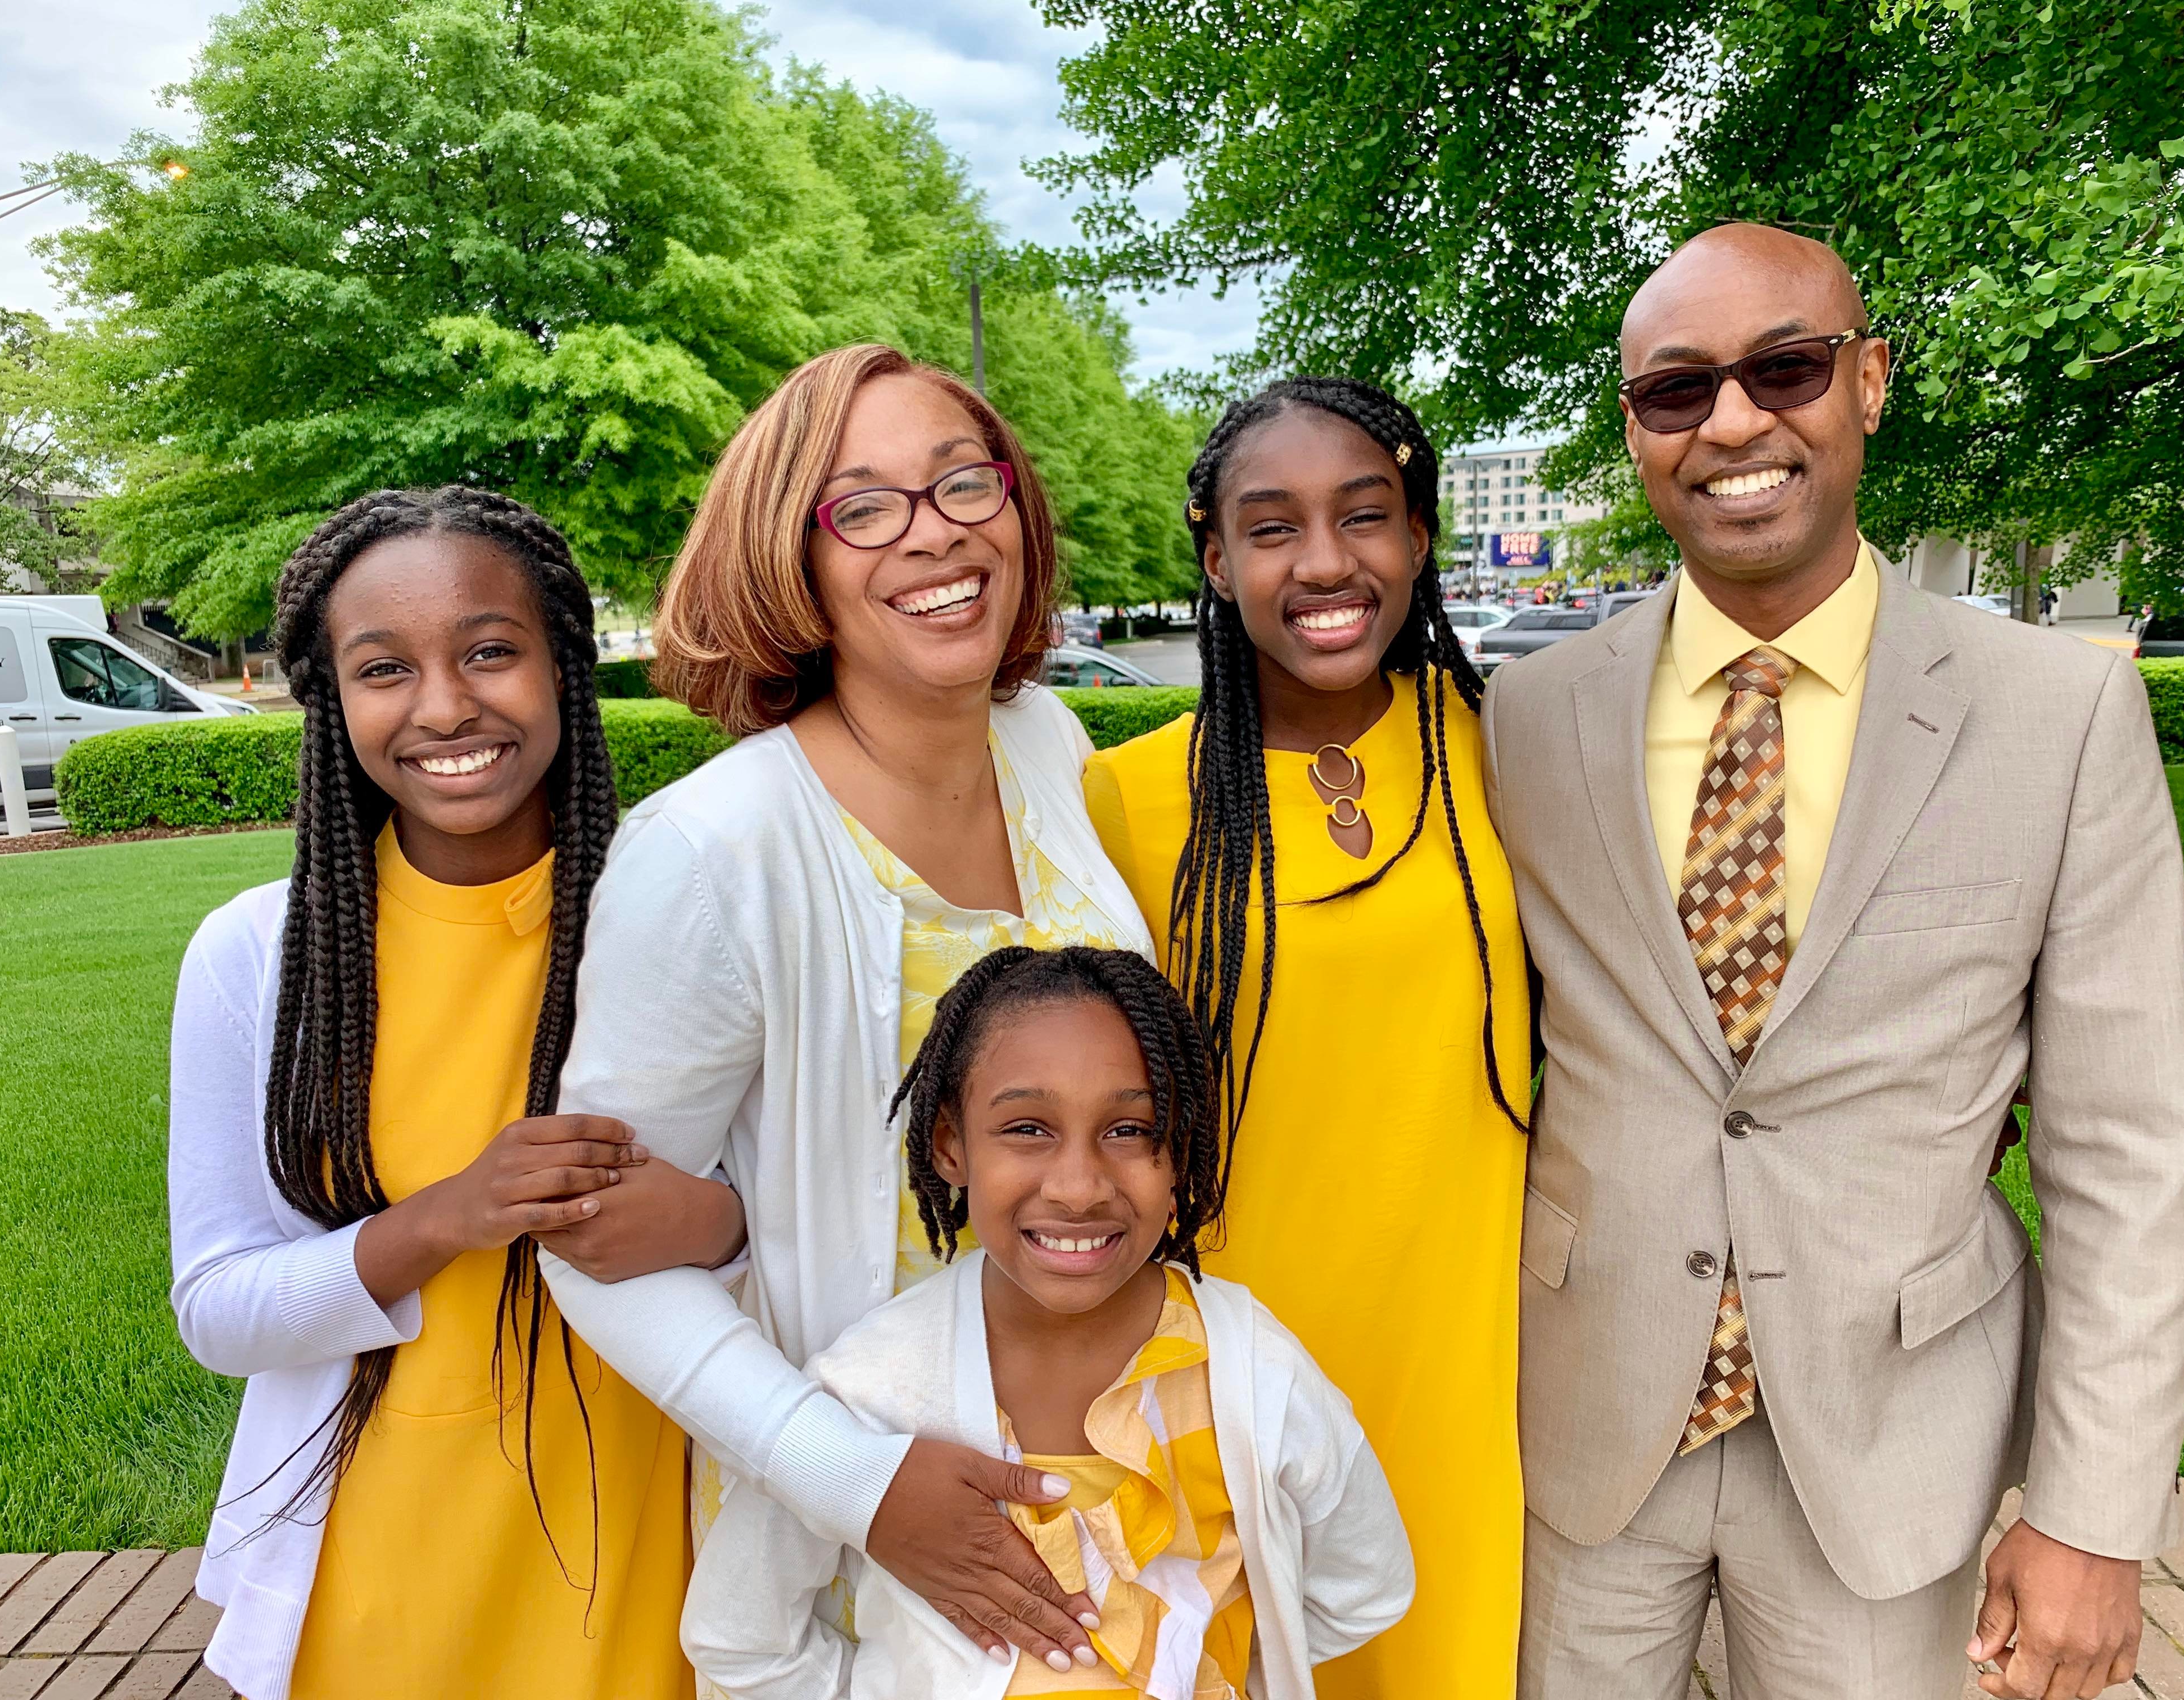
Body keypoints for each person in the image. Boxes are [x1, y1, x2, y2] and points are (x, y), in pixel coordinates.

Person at [1482, 223, 2184, 1700]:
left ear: (1867, 382)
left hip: (1889, 1438)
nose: (1733, 422)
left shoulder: (2057, 718)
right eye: (1676, 391)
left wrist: (2092, 1518)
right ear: (1634, 431)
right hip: (1588, 1410)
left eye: (1785, 367)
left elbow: (2125, 1150)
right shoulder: (1529, 718)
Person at [536, 345, 1154, 1676]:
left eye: (961, 484)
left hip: (1111, 1479)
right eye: (861, 507)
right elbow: (592, 1247)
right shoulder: (716, 848)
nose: (933, 532)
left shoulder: (1047, 745)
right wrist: (859, 1481)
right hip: (861, 1549)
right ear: (791, 562)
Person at [167, 487, 749, 1700]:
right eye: (384, 669)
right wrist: (445, 1218)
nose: (444, 707)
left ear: (565, 664)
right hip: (382, 1579)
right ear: (332, 701)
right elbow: (219, 1308)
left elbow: (829, 1216)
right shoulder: (262, 955)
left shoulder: (698, 912)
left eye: (491, 650)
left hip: (663, 1549)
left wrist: (717, 1223)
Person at [1083, 377, 1531, 1699]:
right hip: (1236, 1362)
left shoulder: (1508, 749)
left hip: (1474, 1356)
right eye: (1272, 528)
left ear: (1422, 538)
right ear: (1216, 560)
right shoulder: (1129, 797)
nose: (1324, 562)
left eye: (1365, 516)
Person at [682, 946, 1412, 1699]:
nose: (1077, 1187)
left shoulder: (1254, 1376)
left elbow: (1366, 1586)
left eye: (1129, 1130)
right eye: (1028, 1129)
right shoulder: (872, 1386)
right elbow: (738, 1638)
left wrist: (1209, 1664)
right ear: (949, 1146)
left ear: (1180, 1150)